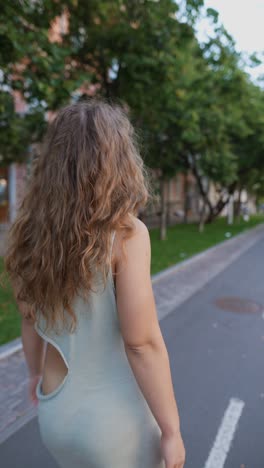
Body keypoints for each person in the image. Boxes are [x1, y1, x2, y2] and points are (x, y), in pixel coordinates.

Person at [4, 99, 185, 468]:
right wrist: (172, 431)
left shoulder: (27, 232)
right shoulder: (126, 234)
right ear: (118, 161)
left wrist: (34, 374)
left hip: (54, 412)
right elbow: (142, 343)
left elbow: (28, 319)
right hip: (113, 426)